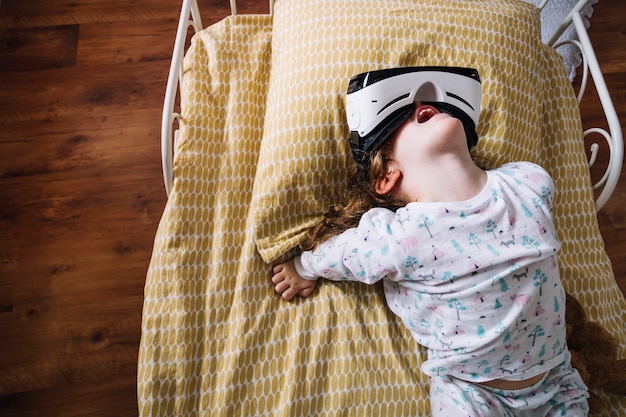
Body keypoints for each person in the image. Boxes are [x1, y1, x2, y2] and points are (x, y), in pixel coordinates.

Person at [271, 67, 590, 416]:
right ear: (387, 176)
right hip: (473, 393)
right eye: (406, 114)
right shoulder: (403, 235)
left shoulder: (527, 181)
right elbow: (346, 253)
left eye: (433, 104)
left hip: (557, 380)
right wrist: (304, 266)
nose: (424, 102)